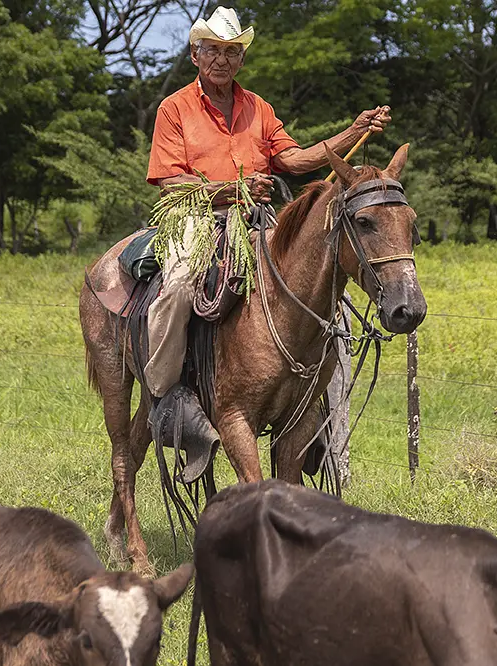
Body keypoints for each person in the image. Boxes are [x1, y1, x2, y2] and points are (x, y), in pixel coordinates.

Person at [144, 5, 391, 405]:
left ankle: (312, 397)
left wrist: (354, 131)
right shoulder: (174, 108)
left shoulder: (259, 107)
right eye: (212, 50)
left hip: (256, 219)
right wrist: (234, 189)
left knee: (316, 278)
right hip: (194, 217)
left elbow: (294, 160)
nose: (222, 60)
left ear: (241, 58)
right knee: (178, 286)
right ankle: (166, 394)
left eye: (231, 52)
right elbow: (172, 183)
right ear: (195, 55)